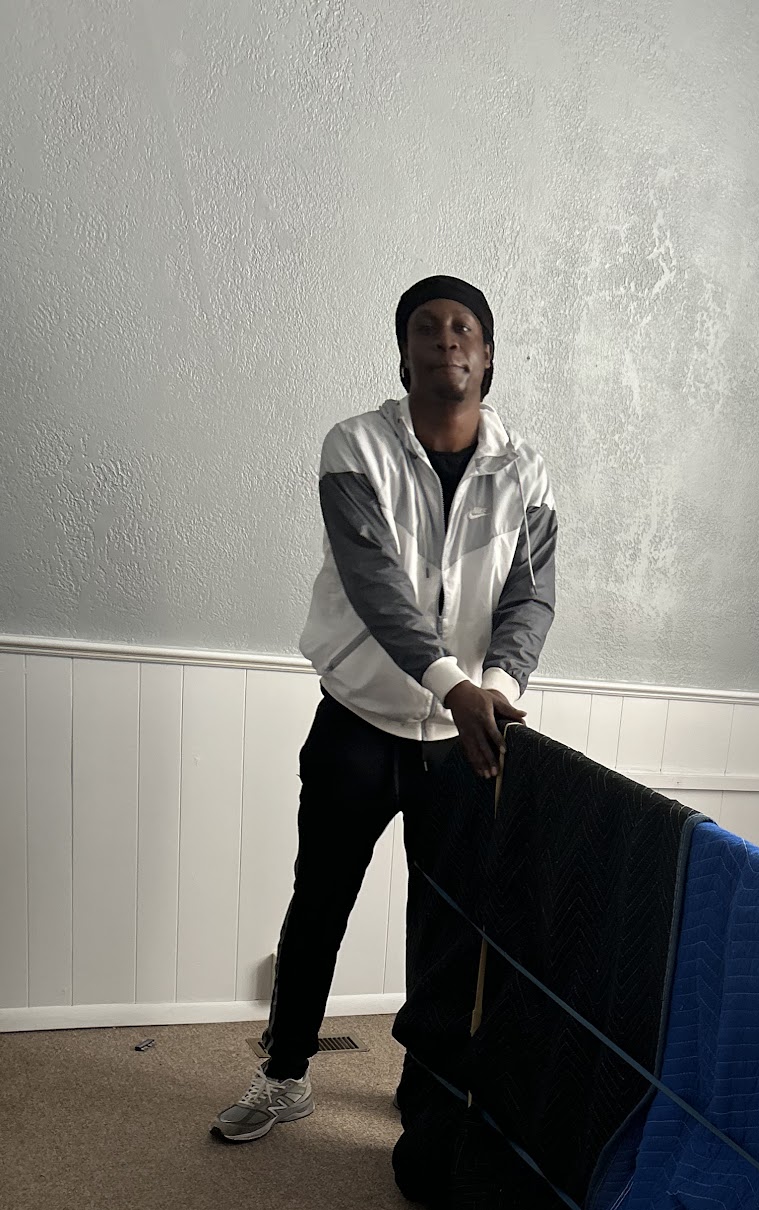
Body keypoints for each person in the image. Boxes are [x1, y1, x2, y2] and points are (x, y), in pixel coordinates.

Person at [213, 275, 557, 1142]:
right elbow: (379, 593)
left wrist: (498, 694)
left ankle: (427, 1089)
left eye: (464, 328)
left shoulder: (526, 471)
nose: (447, 339)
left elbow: (530, 598)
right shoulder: (354, 448)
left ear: (488, 356)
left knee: (449, 926)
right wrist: (457, 687)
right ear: (404, 355)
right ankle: (285, 1074)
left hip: (465, 738)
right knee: (319, 904)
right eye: (427, 327)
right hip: (357, 727)